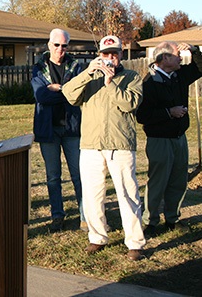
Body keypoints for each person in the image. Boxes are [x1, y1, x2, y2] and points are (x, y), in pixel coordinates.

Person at [62, 35, 146, 261]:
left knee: (128, 194)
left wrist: (110, 85)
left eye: (115, 53)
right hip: (91, 144)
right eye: (106, 54)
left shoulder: (132, 77)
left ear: (120, 55)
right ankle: (97, 236)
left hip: (120, 145)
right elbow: (69, 95)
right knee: (92, 194)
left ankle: (135, 242)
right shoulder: (89, 76)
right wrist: (88, 73)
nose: (110, 58)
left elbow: (130, 103)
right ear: (99, 55)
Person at [137, 41, 202, 238]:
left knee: (178, 180)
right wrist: (169, 112)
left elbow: (201, 67)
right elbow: (142, 116)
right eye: (176, 55)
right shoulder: (149, 82)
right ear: (164, 58)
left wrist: (194, 50)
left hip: (179, 138)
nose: (181, 58)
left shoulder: (179, 75)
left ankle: (172, 219)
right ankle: (150, 222)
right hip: (159, 140)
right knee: (158, 181)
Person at [31, 28, 84, 232]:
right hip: (48, 130)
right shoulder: (38, 68)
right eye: (56, 45)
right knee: (53, 177)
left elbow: (78, 94)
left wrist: (57, 89)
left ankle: (85, 216)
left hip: (72, 129)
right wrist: (66, 90)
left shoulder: (75, 67)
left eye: (64, 46)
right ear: (49, 45)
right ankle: (57, 216)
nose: (60, 49)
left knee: (78, 175)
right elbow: (41, 96)